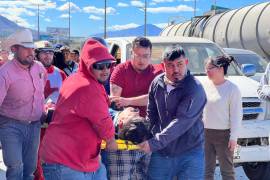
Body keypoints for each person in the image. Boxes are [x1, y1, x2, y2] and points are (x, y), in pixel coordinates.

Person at [40, 38, 117, 180]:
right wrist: (113, 141)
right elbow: (104, 125)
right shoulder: (87, 86)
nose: (106, 70)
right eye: (100, 66)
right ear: (88, 64)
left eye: (109, 64)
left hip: (81, 159)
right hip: (65, 162)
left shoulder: (79, 78)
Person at [138, 46, 206, 180]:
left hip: (190, 154)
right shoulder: (157, 83)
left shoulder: (195, 89)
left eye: (179, 64)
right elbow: (151, 114)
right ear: (163, 65)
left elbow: (181, 122)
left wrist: (153, 143)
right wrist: (144, 136)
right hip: (162, 153)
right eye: (170, 65)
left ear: (186, 63)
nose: (176, 69)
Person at [106, 37, 162, 179]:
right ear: (131, 53)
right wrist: (124, 102)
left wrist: (127, 101)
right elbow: (116, 102)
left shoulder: (157, 73)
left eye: (146, 56)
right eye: (138, 55)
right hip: (124, 137)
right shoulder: (120, 70)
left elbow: (155, 99)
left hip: (149, 136)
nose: (141, 60)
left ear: (151, 55)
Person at [0, 29, 47, 180]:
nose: (30, 52)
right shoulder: (4, 73)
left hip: (34, 125)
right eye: (26, 48)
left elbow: (41, 93)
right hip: (10, 125)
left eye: (32, 48)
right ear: (14, 49)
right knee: (15, 166)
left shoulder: (39, 68)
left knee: (29, 168)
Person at [203, 56, 242, 180]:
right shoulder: (205, 86)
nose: (207, 71)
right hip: (205, 134)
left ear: (220, 69)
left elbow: (236, 115)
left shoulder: (232, 89)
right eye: (206, 69)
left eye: (210, 68)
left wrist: (234, 137)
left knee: (227, 171)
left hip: (224, 136)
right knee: (206, 170)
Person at [33, 40, 67, 180]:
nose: (47, 56)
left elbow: (67, 98)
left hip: (54, 125)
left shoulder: (61, 74)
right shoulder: (28, 72)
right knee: (34, 160)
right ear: (36, 54)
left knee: (52, 160)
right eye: (43, 52)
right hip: (33, 124)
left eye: (50, 52)